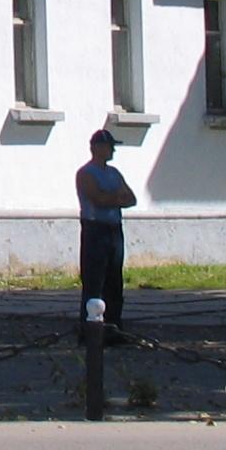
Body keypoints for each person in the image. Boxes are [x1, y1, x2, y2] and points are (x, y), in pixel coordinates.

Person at [75, 130, 136, 328]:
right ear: (97, 148)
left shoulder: (114, 173)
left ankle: (114, 325)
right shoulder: (85, 173)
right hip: (95, 229)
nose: (113, 151)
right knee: (94, 280)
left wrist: (113, 197)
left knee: (114, 280)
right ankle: (90, 329)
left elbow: (131, 198)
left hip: (114, 229)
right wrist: (116, 197)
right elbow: (98, 199)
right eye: (110, 146)